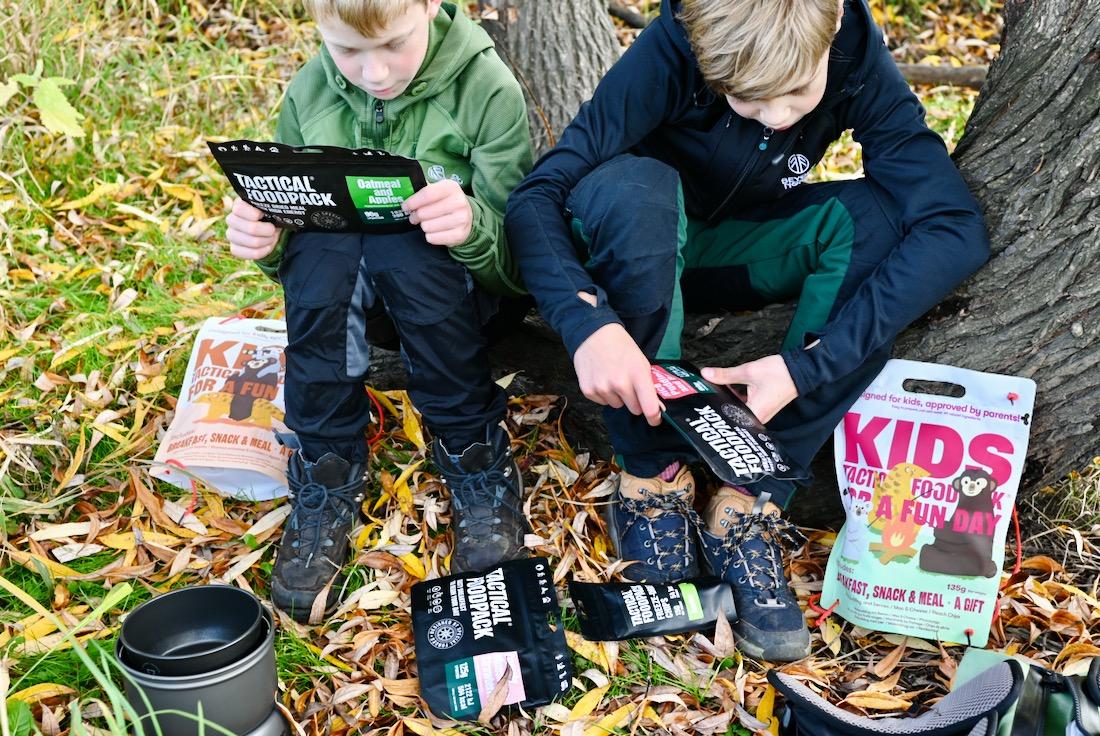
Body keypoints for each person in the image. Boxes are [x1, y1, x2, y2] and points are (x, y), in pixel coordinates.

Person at [504, 0, 989, 661]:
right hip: (639, 234)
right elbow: (539, 194)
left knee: (883, 221)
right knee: (634, 187)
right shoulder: (679, 41)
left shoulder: (849, 45)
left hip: (739, 246)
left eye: (797, 94)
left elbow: (954, 227)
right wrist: (586, 321)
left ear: (832, 31)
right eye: (747, 99)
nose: (778, 118)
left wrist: (806, 367)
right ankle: (652, 478)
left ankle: (751, 494)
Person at [224, 0, 534, 622]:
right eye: (347, 50)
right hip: (353, 303)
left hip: (461, 295)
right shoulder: (309, 92)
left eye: (394, 43)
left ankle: (474, 455)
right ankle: (327, 467)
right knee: (324, 247)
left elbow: (522, 265)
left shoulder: (486, 88)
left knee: (404, 246)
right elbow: (295, 254)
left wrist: (471, 224)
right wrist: (267, 241)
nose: (374, 73)